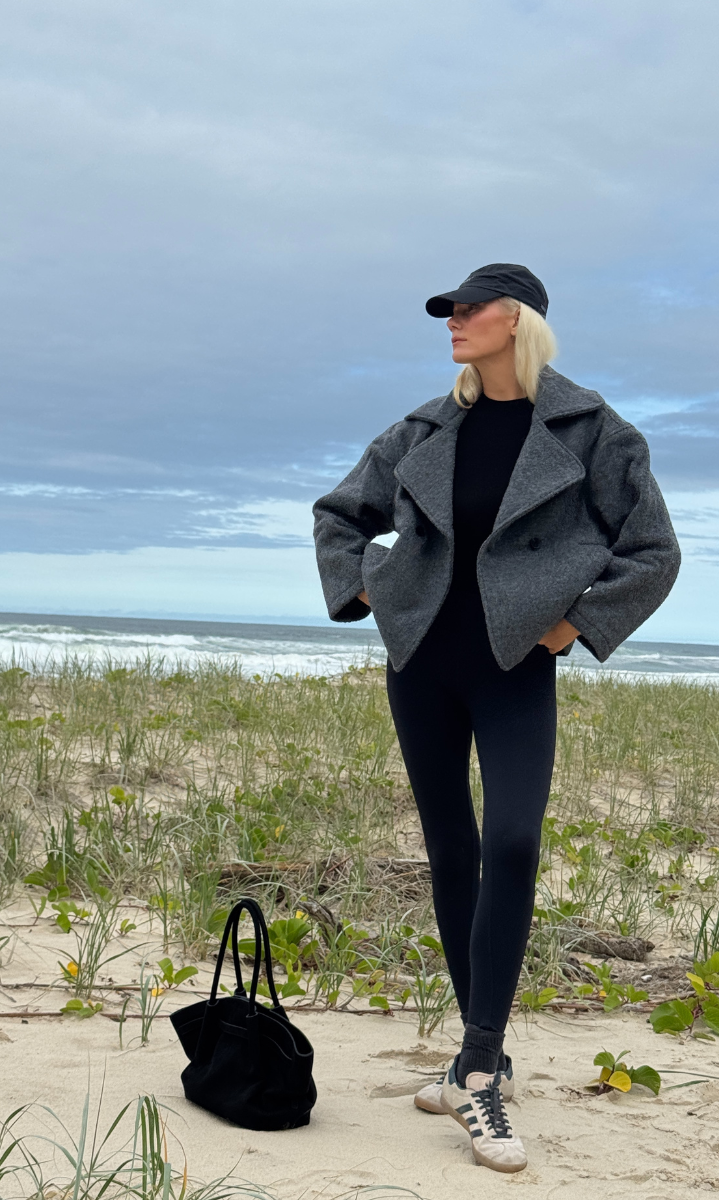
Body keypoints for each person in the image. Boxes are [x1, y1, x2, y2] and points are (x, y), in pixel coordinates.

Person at [312, 263, 680, 1174]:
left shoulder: (593, 432)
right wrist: (376, 592)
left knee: (513, 842)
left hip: (516, 667)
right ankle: (482, 1059)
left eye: (469, 308)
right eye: (449, 310)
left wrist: (572, 624)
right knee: (452, 850)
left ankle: (475, 1071)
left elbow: (653, 551)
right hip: (422, 665)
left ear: (517, 319)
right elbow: (339, 515)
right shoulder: (425, 428)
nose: (453, 320)